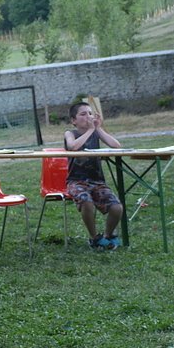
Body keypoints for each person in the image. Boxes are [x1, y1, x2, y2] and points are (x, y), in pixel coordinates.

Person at [64, 101, 124, 250]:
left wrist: (98, 128)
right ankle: (94, 238)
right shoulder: (70, 133)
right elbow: (73, 147)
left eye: (90, 113)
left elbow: (116, 146)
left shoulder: (96, 132)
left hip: (97, 182)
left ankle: (108, 235)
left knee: (117, 208)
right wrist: (91, 130)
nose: (88, 117)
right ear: (73, 120)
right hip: (76, 181)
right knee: (87, 202)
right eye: (83, 114)